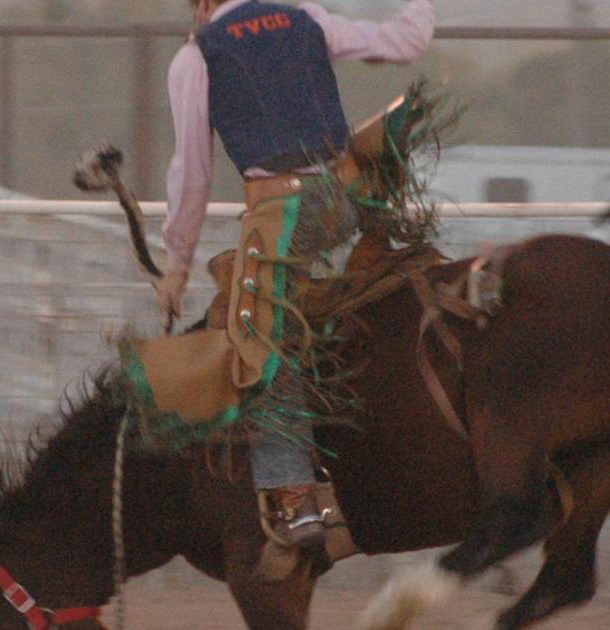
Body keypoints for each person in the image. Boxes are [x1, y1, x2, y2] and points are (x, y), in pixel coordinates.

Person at [120, 0, 435, 548]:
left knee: (257, 338)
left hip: (287, 212)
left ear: (201, 5)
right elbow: (405, 43)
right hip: (354, 198)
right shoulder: (307, 17)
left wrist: (175, 265)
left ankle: (292, 496)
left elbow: (191, 175)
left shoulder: (196, 57)